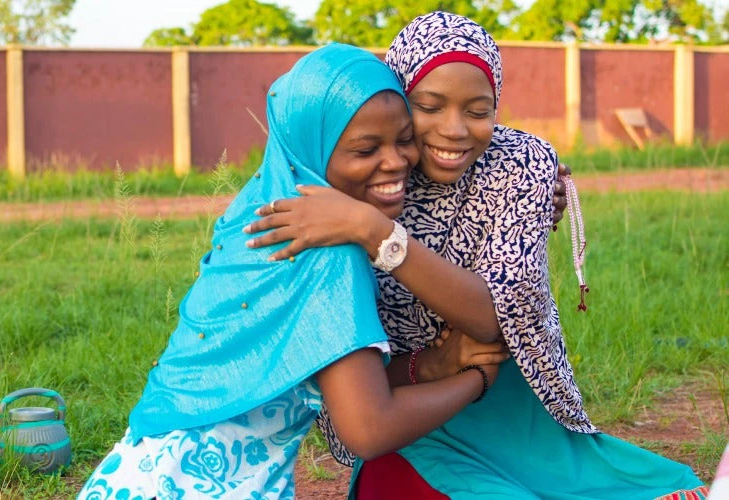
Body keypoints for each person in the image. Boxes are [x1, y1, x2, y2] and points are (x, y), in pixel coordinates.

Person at [243, 11, 707, 499]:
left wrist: (373, 231)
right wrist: (434, 363)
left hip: (508, 398)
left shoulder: (518, 163)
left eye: (478, 110)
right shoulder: (364, 171)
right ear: (398, 101)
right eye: (428, 105)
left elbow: (493, 318)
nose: (455, 130)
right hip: (403, 410)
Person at [77, 43, 508, 500]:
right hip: (205, 486)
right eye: (366, 149)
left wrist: (538, 178)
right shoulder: (329, 255)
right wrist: (475, 381)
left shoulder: (260, 205)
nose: (396, 161)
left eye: (404, 139)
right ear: (313, 149)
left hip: (135, 474)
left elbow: (332, 382)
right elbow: (369, 427)